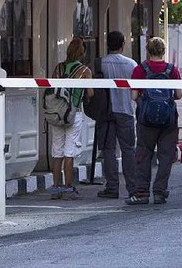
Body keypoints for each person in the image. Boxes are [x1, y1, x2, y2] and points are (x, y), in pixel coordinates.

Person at [126, 37, 182, 205]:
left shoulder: (139, 70)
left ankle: (142, 193)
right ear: (163, 51)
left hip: (146, 121)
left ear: (148, 51)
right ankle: (159, 192)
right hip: (169, 121)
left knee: (143, 154)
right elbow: (178, 95)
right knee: (166, 156)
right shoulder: (172, 70)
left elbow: (134, 96)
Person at [49, 37, 94, 200]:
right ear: (82, 53)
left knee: (57, 151)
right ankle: (68, 187)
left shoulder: (58, 68)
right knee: (69, 152)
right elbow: (90, 93)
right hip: (74, 114)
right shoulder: (84, 71)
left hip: (56, 113)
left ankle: (55, 188)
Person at [96, 31, 138, 200]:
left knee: (108, 150)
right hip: (126, 110)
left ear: (108, 44)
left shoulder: (99, 63)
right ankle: (133, 188)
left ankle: (112, 187)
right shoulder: (132, 64)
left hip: (105, 112)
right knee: (128, 150)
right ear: (123, 44)